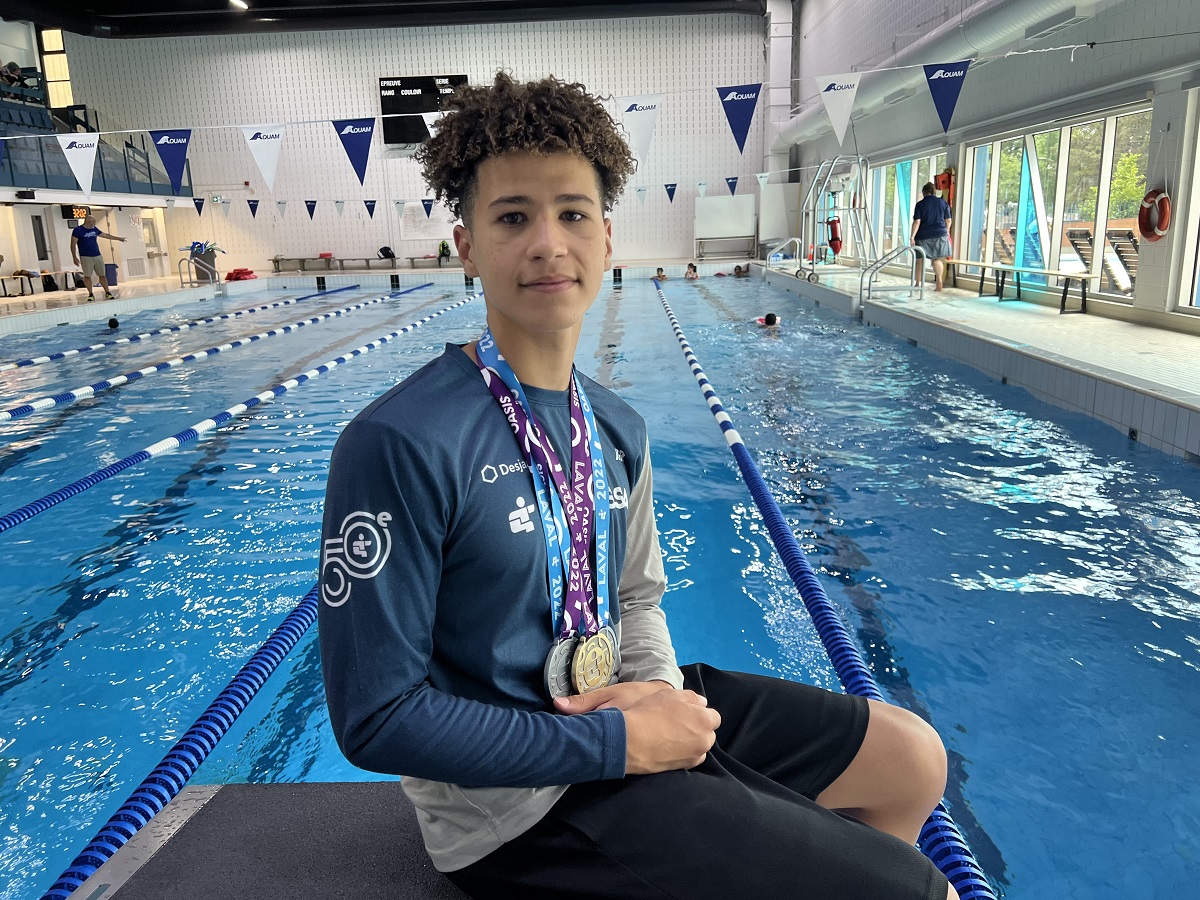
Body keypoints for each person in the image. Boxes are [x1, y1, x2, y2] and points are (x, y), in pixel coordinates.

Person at [318, 72, 957, 900]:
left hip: (620, 713)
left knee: (912, 759)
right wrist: (621, 745)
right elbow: (376, 717)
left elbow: (635, 598)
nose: (548, 243)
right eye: (512, 217)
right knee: (915, 890)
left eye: (572, 213)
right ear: (467, 246)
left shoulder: (614, 425)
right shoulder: (400, 441)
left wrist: (656, 701)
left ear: (606, 238)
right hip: (518, 810)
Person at [70, 215, 126, 301]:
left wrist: (118, 238)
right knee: (87, 275)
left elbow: (105, 235)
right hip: (85, 256)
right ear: (88, 222)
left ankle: (107, 292)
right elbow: (73, 244)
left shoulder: (94, 229)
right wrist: (74, 257)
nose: (95, 223)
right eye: (93, 222)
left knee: (102, 274)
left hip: (97, 255)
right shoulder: (78, 230)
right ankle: (90, 294)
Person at [911, 183, 953, 292]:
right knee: (936, 259)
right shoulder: (943, 203)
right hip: (940, 234)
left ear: (924, 192)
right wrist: (946, 231)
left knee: (919, 260)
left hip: (923, 236)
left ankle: (917, 284)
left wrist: (912, 237)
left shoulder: (920, 204)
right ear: (934, 192)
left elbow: (917, 222)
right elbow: (948, 220)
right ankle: (939, 281)